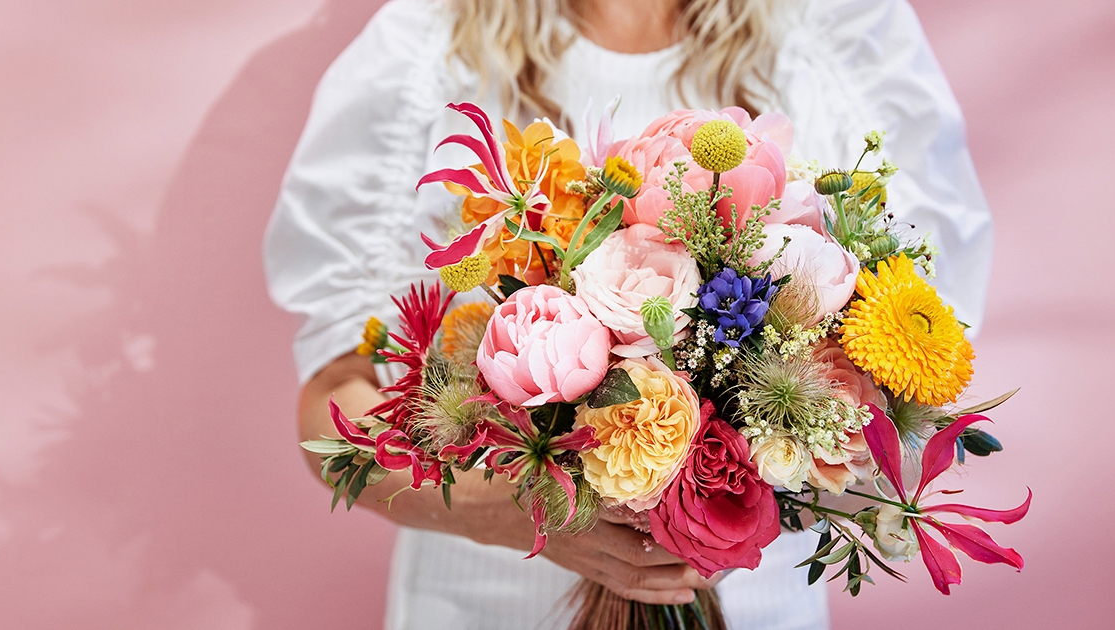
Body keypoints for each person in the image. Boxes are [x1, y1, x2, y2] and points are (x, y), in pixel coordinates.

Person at [262, 0, 993, 628]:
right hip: (483, 599)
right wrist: (508, 505)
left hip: (756, 602)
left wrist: (749, 478)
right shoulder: (428, 47)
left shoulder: (836, 34)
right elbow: (335, 402)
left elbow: (916, 366)